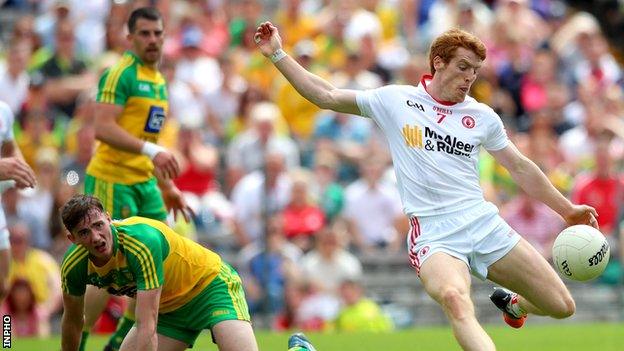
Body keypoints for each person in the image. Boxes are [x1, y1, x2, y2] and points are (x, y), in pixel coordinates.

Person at [255, 23, 599, 351]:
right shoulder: (396, 101)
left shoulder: (481, 117)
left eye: (475, 70)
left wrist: (567, 209)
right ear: (438, 62)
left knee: (561, 305)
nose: (469, 77)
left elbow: (521, 167)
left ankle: (514, 306)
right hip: (435, 234)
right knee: (455, 299)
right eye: (463, 66)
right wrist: (278, 55)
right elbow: (326, 94)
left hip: (482, 222)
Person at [81, 7, 191, 351]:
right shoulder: (120, 74)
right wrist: (149, 152)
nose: (153, 39)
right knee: (106, 267)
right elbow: (102, 127)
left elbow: (151, 142)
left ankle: (117, 344)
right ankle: (79, 341)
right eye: (145, 33)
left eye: (158, 33)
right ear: (129, 38)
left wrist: (167, 186)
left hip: (145, 184)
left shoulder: (158, 81)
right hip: (112, 179)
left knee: (157, 258)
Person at [59, 194, 257, 351]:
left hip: (210, 288)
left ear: (109, 218)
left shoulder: (141, 243)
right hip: (167, 309)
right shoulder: (74, 265)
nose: (96, 238)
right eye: (84, 233)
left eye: (98, 225)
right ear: (72, 238)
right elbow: (73, 322)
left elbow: (147, 324)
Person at [0, 101, 37, 303]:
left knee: (2, 285)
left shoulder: (3, 111)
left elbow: (10, 148)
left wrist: (20, 169)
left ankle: (6, 335)